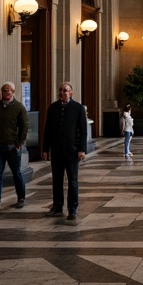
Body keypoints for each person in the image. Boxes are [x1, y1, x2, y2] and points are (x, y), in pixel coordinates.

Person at [42, 82, 87, 220]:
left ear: (71, 92)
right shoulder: (53, 108)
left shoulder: (78, 108)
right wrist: (45, 149)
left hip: (72, 151)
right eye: (60, 90)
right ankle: (57, 206)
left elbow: (83, 131)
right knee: (57, 179)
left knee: (73, 180)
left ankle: (72, 208)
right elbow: (47, 130)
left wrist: (82, 150)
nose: (62, 92)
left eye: (65, 90)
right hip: (56, 151)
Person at [0, 81, 29, 211]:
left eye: (8, 90)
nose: (6, 92)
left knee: (16, 173)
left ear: (13, 92)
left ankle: (21, 198)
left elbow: (24, 126)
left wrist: (19, 142)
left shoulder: (19, 107)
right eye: (4, 90)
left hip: (12, 146)